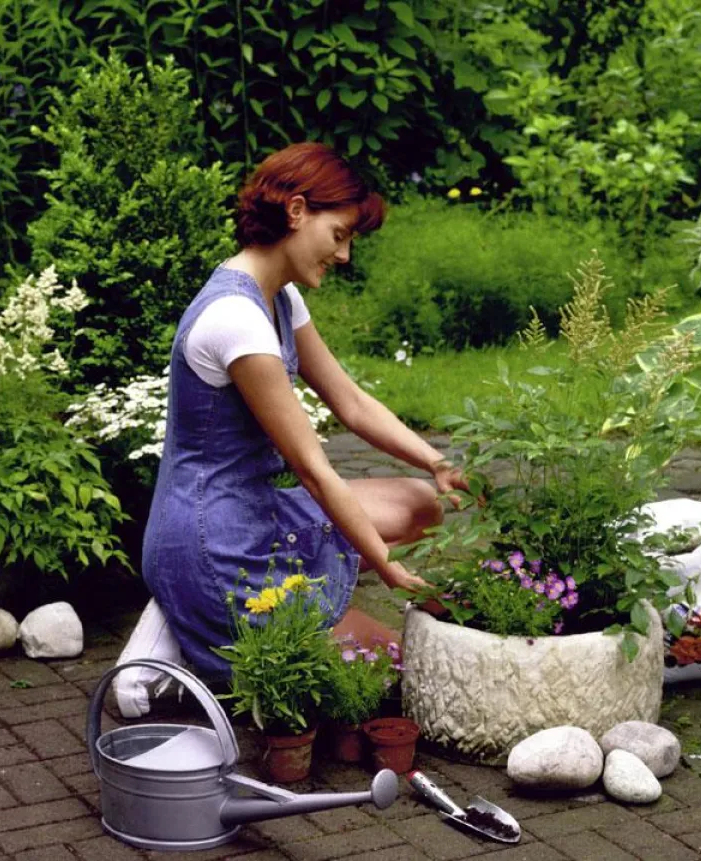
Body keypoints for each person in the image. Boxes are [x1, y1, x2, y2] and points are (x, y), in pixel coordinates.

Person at [141, 142, 467, 679]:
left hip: (257, 511)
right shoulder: (234, 318)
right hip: (211, 546)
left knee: (421, 505)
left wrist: (437, 462)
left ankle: (219, 620)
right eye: (339, 235)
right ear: (295, 211)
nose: (344, 256)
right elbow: (316, 472)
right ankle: (177, 637)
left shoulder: (279, 298)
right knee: (398, 667)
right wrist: (386, 567)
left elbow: (352, 403)